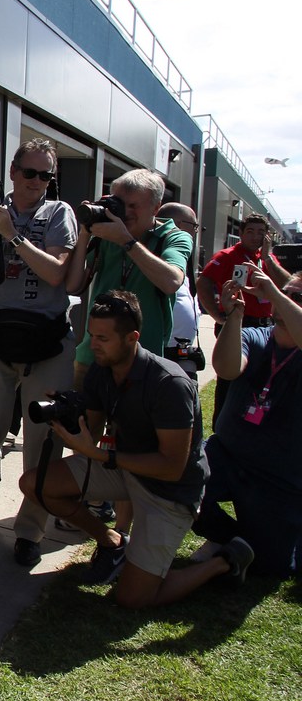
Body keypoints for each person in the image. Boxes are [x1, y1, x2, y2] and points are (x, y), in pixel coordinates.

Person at [19, 291, 253, 607]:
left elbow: (172, 466)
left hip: (169, 489)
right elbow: (93, 428)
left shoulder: (169, 383)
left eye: (103, 338)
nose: (93, 345)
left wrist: (100, 455)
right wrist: (68, 411)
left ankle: (225, 560)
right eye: (91, 336)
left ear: (132, 338)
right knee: (35, 483)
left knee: (133, 599)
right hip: (125, 469)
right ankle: (111, 542)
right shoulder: (103, 369)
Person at [0, 138, 77, 567]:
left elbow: (58, 272)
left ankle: (30, 530)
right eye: (31, 173)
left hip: (47, 340)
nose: (38, 182)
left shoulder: (60, 213)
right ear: (12, 172)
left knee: (42, 440)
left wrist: (14, 235)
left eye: (46, 175)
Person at [193, 268, 302, 576]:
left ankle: (254, 539)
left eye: (298, 296)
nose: (286, 299)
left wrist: (278, 296)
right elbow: (227, 369)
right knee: (179, 484)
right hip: (226, 455)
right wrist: (235, 317)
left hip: (279, 477)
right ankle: (227, 536)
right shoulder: (257, 336)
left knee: (274, 566)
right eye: (287, 292)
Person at [65, 170, 191, 389]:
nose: (126, 212)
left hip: (142, 358)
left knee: (130, 424)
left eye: (134, 206)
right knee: (77, 422)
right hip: (93, 353)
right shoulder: (106, 235)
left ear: (156, 207)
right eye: (120, 204)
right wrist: (85, 234)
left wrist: (126, 240)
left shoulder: (173, 237)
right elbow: (73, 285)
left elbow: (171, 282)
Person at [195, 214, 292, 426]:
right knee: (229, 381)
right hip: (238, 321)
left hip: (265, 326)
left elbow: (289, 285)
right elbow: (203, 282)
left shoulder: (268, 259)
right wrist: (216, 315)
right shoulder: (228, 256)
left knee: (259, 378)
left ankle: (250, 422)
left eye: (261, 233)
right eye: (250, 231)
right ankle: (222, 425)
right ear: (241, 234)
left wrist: (267, 258)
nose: (255, 237)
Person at [156, 203, 203, 379]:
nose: (196, 232)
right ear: (177, 224)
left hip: (183, 353)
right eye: (194, 226)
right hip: (161, 353)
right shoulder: (157, 256)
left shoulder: (181, 258)